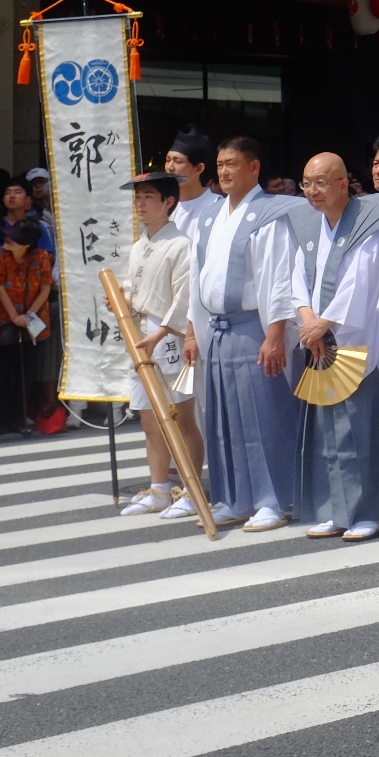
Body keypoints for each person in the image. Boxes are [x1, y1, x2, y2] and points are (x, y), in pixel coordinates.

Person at [189, 136, 312, 532]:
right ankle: (234, 496)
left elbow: (278, 278)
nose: (224, 171)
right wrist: (194, 329)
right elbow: (197, 281)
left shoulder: (269, 214)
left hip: (253, 326)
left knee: (264, 416)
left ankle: (272, 499)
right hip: (218, 328)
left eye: (232, 164)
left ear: (254, 167)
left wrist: (275, 334)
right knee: (223, 418)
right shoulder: (211, 216)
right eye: (220, 164)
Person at [293, 152, 379, 541]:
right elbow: (297, 280)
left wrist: (324, 323)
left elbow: (363, 282)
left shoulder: (368, 224)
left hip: (355, 341)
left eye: (321, 182)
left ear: (343, 183)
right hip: (320, 340)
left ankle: (368, 512)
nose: (313, 191)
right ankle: (335, 510)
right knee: (328, 433)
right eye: (307, 183)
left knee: (360, 429)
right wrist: (308, 321)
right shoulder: (310, 226)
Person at [118, 173, 202, 520]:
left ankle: (192, 488)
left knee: (182, 418)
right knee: (150, 419)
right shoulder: (140, 244)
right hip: (141, 333)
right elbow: (131, 285)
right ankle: (159, 487)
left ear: (168, 202)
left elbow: (185, 296)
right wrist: (121, 299)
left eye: (148, 197)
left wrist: (162, 332)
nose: (140, 203)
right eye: (138, 197)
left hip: (168, 336)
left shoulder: (180, 244)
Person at [0, 220, 52, 436]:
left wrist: (29, 315)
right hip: (3, 320)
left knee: (24, 373)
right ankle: (0, 420)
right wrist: (14, 316)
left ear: (27, 243)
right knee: (0, 373)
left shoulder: (41, 256)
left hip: (31, 321)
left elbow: (45, 287)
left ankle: (20, 419)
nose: (7, 239)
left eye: (13, 238)